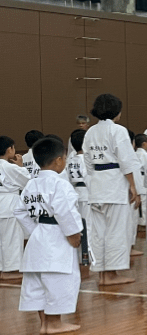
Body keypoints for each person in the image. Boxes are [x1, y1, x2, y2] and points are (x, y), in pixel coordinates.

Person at [14, 137, 84, 334]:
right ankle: (54, 324)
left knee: (37, 284)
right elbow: (65, 211)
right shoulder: (60, 184)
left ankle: (44, 323)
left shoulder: (31, 184)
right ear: (59, 160)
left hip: (38, 237)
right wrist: (73, 234)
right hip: (57, 237)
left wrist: (35, 230)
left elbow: (19, 211)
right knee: (57, 282)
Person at [82, 93, 142, 286]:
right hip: (115, 184)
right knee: (116, 230)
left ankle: (102, 273)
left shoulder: (90, 132)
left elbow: (87, 162)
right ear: (117, 112)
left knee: (98, 233)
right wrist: (133, 185)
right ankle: (111, 274)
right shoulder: (118, 130)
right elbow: (126, 160)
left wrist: (96, 178)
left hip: (97, 184)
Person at [0, 136, 30, 281]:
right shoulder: (9, 167)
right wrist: (21, 166)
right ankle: (9, 271)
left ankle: (3, 269)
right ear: (9, 150)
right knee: (11, 239)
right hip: (8, 205)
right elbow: (27, 181)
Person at [61, 130, 89, 265]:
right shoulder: (87, 160)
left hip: (76, 192)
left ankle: (80, 255)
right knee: (89, 225)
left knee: (79, 224)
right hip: (87, 193)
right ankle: (87, 254)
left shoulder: (70, 161)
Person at [131, 134, 147, 255]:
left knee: (139, 206)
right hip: (142, 180)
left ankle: (140, 224)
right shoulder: (145, 155)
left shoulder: (133, 154)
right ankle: (142, 225)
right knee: (143, 205)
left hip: (135, 180)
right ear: (144, 144)